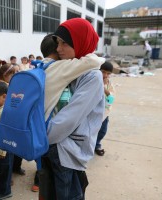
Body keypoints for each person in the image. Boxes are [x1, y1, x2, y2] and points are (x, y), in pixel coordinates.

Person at [40, 18, 106, 199]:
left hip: (67, 151)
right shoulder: (67, 68)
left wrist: (41, 138)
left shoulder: (91, 76)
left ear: (80, 42)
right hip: (51, 146)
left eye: (65, 44)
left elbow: (69, 118)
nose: (59, 49)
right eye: (58, 43)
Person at [95, 61, 115, 156]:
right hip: (94, 112)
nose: (105, 75)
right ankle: (91, 145)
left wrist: (104, 87)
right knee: (92, 130)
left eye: (108, 73)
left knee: (102, 131)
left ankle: (97, 144)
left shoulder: (109, 83)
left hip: (105, 112)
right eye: (103, 72)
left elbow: (111, 98)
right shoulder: (94, 80)